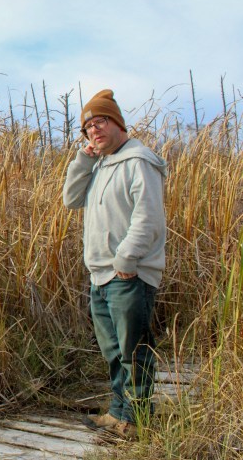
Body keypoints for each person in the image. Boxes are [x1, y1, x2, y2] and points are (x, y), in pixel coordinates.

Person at [62, 89, 167, 441]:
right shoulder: (102, 163)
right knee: (113, 351)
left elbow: (149, 217)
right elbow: (71, 198)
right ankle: (119, 412)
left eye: (101, 121)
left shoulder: (139, 161)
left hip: (128, 273)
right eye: (88, 126)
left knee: (133, 349)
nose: (94, 130)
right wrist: (84, 159)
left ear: (118, 123)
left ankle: (137, 419)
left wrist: (126, 258)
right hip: (101, 274)